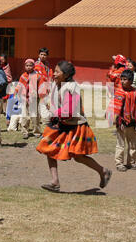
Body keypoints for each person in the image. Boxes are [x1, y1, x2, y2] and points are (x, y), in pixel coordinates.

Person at [36, 61, 112, 192]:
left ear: (65, 75)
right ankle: (55, 182)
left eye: (57, 72)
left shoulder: (72, 87)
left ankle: (103, 171)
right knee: (48, 148)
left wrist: (54, 113)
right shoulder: (56, 84)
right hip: (60, 123)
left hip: (75, 125)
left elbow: (69, 110)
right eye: (54, 71)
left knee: (78, 157)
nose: (54, 74)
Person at [109, 70, 136, 172]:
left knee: (132, 144)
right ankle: (119, 163)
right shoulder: (119, 92)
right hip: (122, 123)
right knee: (120, 144)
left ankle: (131, 163)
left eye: (125, 80)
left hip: (132, 123)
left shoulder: (135, 92)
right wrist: (118, 120)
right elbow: (115, 108)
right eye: (121, 79)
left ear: (131, 80)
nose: (122, 82)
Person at [15, 59, 46, 139]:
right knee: (24, 116)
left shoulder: (38, 76)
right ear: (25, 66)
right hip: (24, 98)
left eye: (30, 65)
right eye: (27, 66)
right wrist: (17, 92)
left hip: (34, 99)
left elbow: (41, 86)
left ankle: (37, 132)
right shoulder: (23, 76)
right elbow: (20, 85)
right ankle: (25, 132)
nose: (28, 67)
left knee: (35, 116)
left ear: (34, 66)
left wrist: (41, 95)